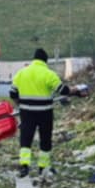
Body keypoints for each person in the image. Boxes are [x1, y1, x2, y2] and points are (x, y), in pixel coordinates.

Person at [10, 46, 63, 178]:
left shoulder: (22, 73)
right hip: (45, 113)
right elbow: (62, 90)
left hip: (26, 112)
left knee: (26, 139)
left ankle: (24, 166)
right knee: (45, 139)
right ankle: (43, 167)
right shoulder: (49, 74)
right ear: (45, 61)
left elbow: (12, 93)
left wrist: (19, 103)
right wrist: (75, 91)